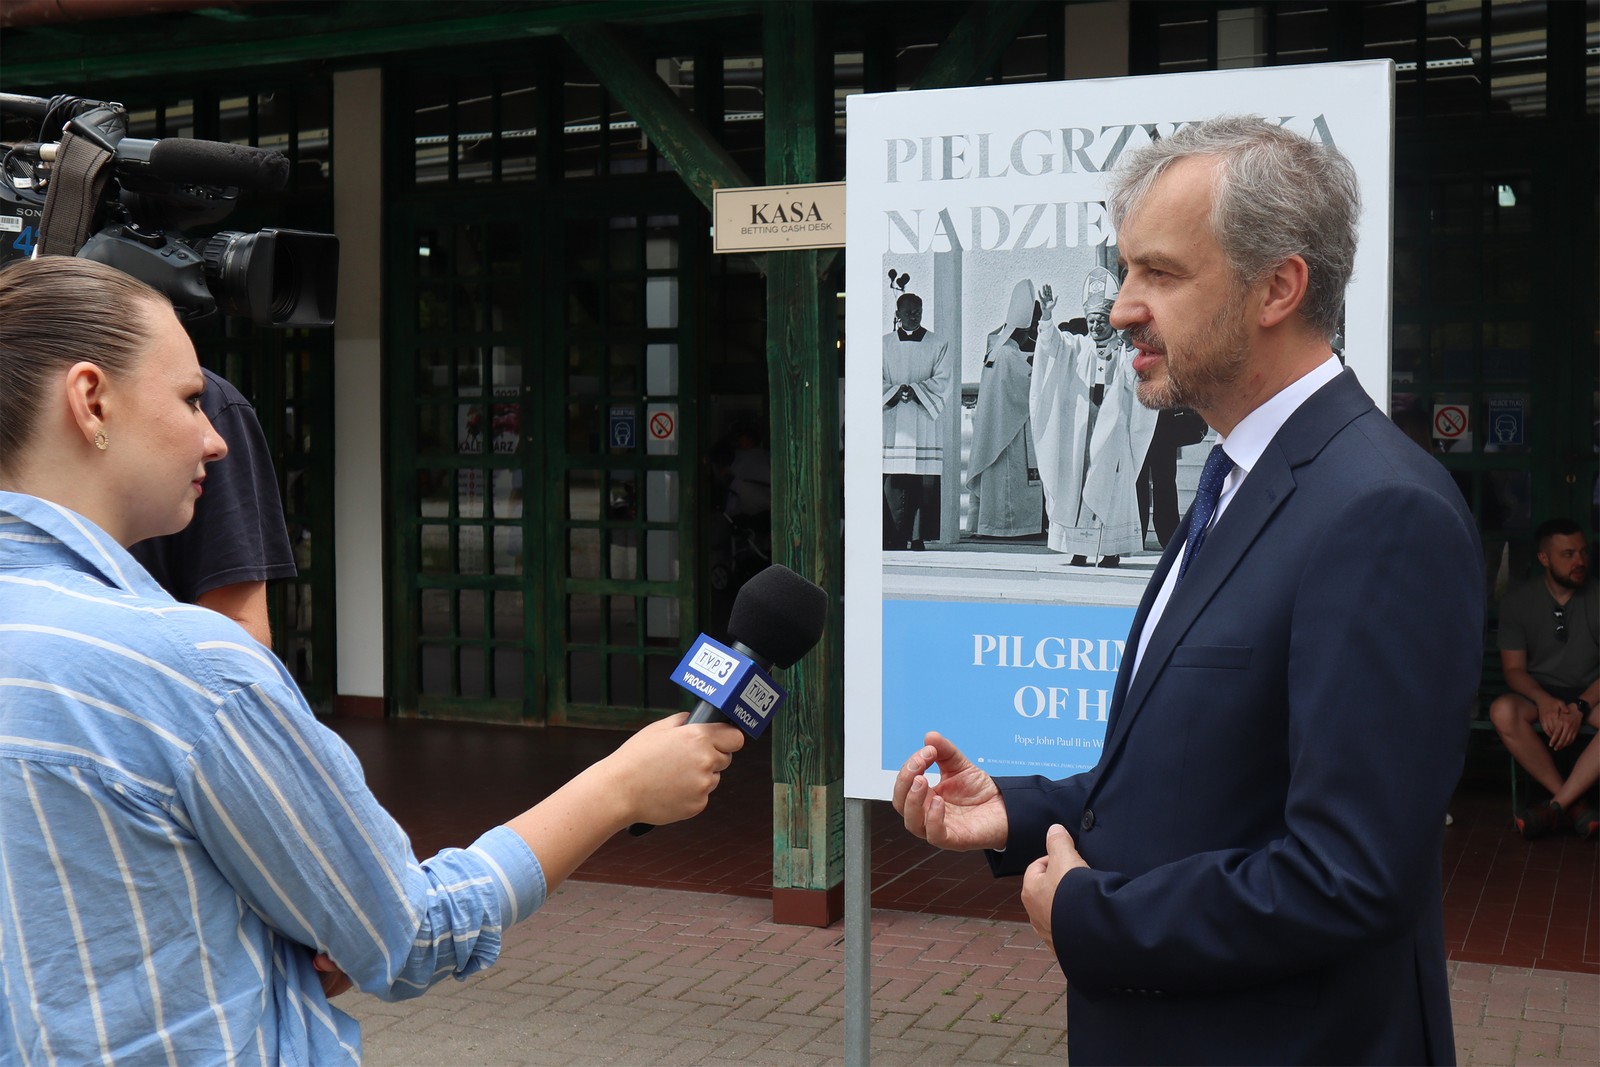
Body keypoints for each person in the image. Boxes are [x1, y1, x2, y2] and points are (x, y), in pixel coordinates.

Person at [0, 256, 745, 1063]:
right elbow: (410, 931)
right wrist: (619, 786)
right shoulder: (191, 669)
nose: (216, 438)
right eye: (190, 399)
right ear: (91, 399)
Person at [892, 116, 1482, 1065]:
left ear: (1278, 287)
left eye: (1160, 273)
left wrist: (1094, 915)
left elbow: (1349, 875)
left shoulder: (1382, 512)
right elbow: (1197, 777)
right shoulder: (1238, 476)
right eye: (1127, 271)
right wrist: (1015, 809)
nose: (1123, 307)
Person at [128, 367, 296, 647]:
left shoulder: (213, 400)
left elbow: (238, 639)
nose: (217, 446)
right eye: (190, 402)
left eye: (193, 400)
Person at [1031, 267, 1158, 568]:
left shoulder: (1124, 351)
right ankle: (1079, 548)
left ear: (1111, 320)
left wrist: (1130, 350)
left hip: (1113, 434)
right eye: (1090, 320)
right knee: (1078, 483)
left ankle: (1110, 549)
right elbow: (1051, 345)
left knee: (1110, 485)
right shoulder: (1077, 346)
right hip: (1081, 433)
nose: (1095, 326)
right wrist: (1046, 317)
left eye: (1101, 320)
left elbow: (1139, 378)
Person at [1489, 518, 1599, 839]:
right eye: (1568, 554)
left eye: (1583, 552)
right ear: (1544, 558)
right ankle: (1574, 805)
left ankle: (1555, 807)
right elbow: (1514, 670)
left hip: (1590, 693)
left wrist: (1580, 706)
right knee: (1502, 711)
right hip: (1540, 692)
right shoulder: (1519, 601)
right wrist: (1543, 700)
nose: (1579, 561)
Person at [965, 279, 1044, 539]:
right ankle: (1012, 528)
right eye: (1034, 323)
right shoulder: (1008, 356)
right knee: (1011, 478)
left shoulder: (998, 347)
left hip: (999, 427)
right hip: (1010, 432)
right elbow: (1030, 384)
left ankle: (995, 524)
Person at [882, 289, 952, 550]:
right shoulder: (883, 344)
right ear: (898, 314)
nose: (914, 316)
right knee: (895, 479)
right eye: (909, 312)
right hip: (894, 421)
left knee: (922, 479)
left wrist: (916, 391)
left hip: (923, 421)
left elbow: (944, 379)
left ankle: (918, 536)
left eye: (918, 312)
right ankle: (894, 537)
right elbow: (873, 377)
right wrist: (894, 391)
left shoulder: (938, 344)